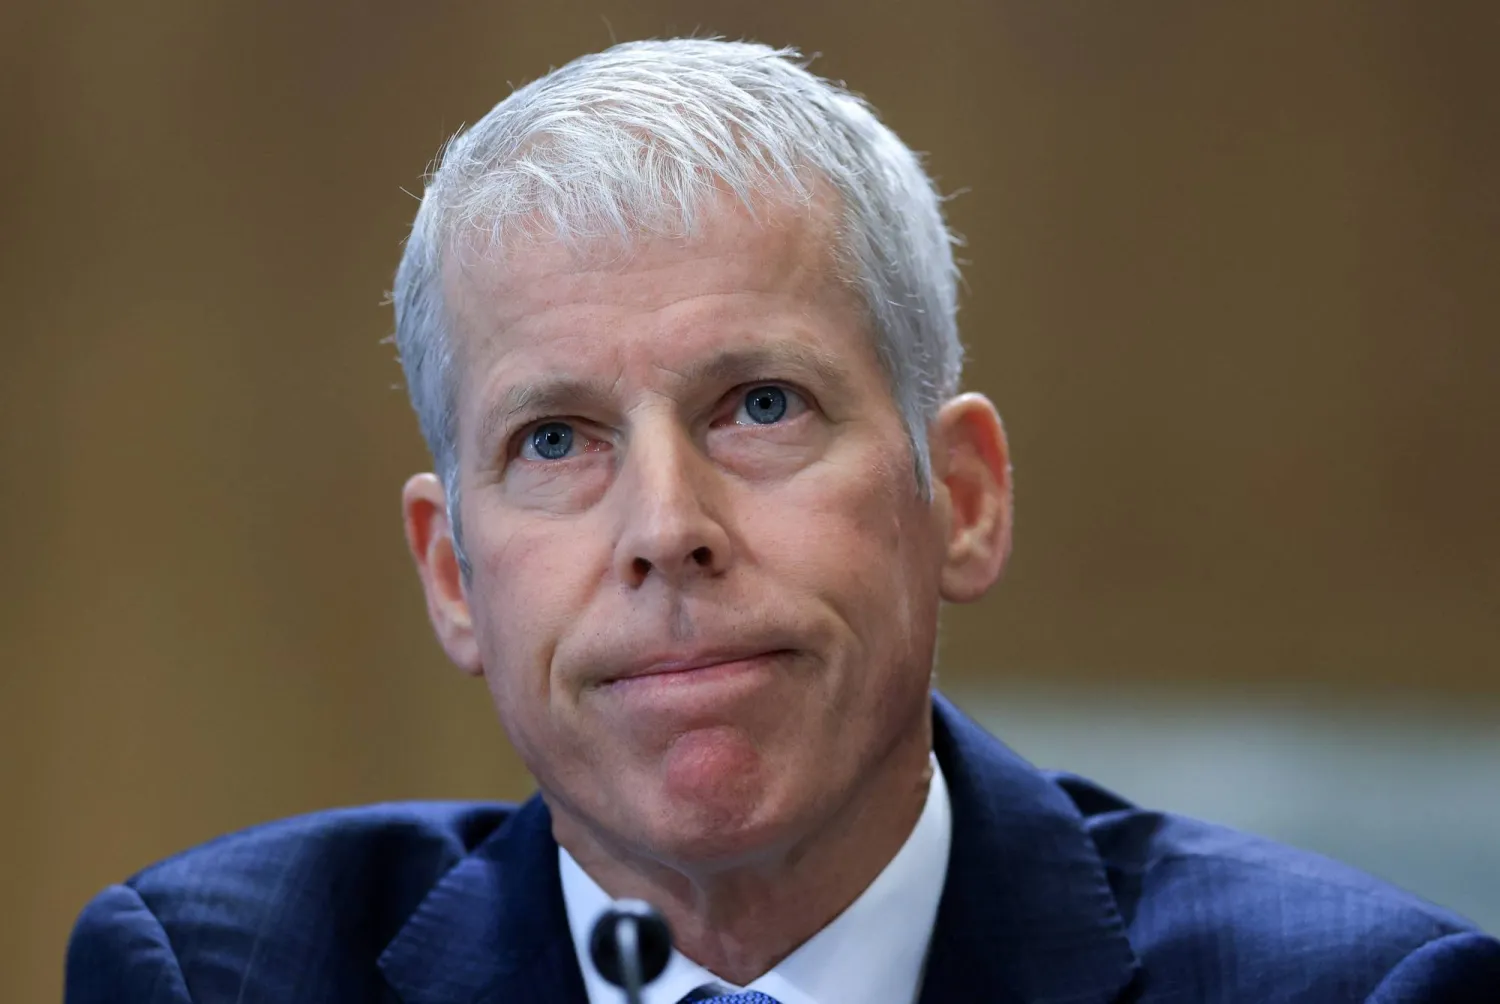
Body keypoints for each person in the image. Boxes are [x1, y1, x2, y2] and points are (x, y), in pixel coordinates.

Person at [66, 38, 1498, 1004]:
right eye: (555, 438)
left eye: (759, 406)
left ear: (966, 500)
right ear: (452, 574)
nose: (665, 526)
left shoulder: (1358, 991)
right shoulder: (218, 973)